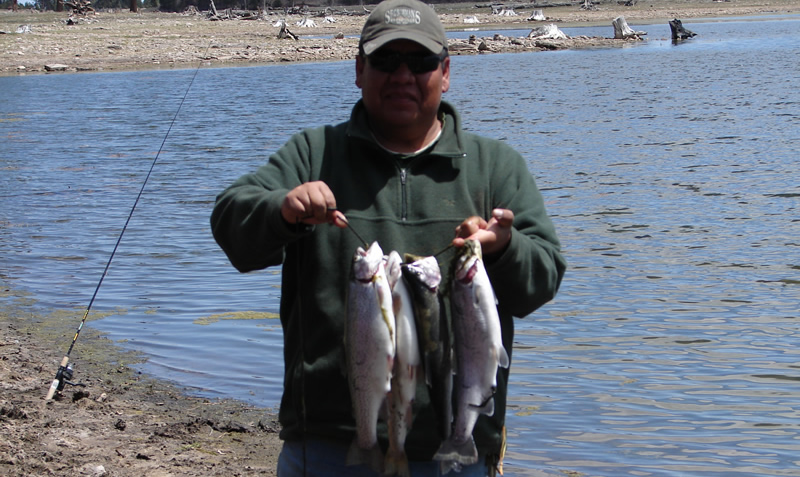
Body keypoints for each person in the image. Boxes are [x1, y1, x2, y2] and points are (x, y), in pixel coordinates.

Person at [210, 0, 567, 475]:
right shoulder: (314, 153)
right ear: (359, 70)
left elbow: (542, 281)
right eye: (386, 60)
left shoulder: (495, 168)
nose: (402, 76)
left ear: (445, 72)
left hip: (455, 456)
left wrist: (505, 248)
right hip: (325, 449)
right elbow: (231, 225)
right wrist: (283, 210)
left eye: (419, 62)